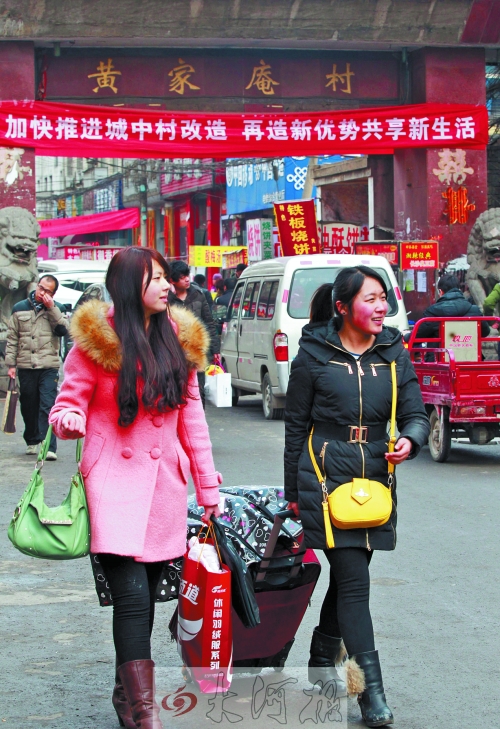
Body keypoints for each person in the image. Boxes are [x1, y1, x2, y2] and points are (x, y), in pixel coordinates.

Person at [48, 248, 222, 729]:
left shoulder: (179, 340)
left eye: (166, 277)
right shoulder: (96, 342)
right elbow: (67, 403)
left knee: (145, 597)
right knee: (132, 598)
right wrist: (70, 418)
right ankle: (145, 711)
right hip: (111, 486)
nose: (167, 286)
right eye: (156, 278)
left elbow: (193, 422)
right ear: (129, 287)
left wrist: (208, 488)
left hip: (163, 487)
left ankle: (127, 692)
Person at [284, 267, 429, 728]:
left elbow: (415, 412)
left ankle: (321, 655)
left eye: (383, 297)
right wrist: (293, 493)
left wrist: (410, 439)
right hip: (324, 477)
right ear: (343, 307)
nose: (381, 307)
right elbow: (295, 428)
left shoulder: (393, 352)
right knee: (353, 580)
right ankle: (369, 693)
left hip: (375, 478)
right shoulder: (313, 355)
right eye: (370, 299)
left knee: (352, 576)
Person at [5, 274, 67, 460]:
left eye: (47, 291)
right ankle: (32, 439)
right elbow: (12, 338)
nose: (42, 292)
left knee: (48, 405)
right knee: (28, 405)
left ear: (53, 294)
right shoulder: (20, 308)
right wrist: (11, 364)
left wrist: (52, 308)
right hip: (26, 365)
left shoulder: (57, 309)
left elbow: (63, 330)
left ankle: (49, 446)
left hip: (49, 366)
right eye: (41, 287)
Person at [168, 260, 220, 408]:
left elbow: (209, 322)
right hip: (174, 351)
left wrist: (215, 349)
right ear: (172, 280)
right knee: (176, 389)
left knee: (198, 390)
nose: (187, 279)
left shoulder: (198, 295)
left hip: (197, 351)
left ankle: (198, 418)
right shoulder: (166, 298)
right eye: (182, 277)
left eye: (187, 275)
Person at [415, 274, 489, 339]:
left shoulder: (433, 311)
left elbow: (418, 335)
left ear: (440, 292)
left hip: (439, 350)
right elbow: (485, 332)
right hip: (470, 350)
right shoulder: (474, 310)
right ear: (459, 289)